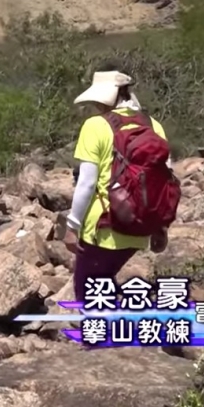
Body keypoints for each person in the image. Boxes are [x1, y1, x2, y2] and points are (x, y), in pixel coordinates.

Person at [63, 69, 179, 305]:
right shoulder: (153, 125)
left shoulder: (95, 125)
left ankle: (101, 339)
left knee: (87, 291)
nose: (95, 106)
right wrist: (160, 227)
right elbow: (164, 180)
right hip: (140, 226)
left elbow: (86, 182)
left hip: (104, 226)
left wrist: (72, 226)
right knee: (105, 279)